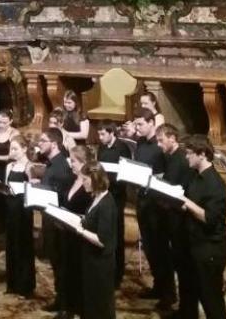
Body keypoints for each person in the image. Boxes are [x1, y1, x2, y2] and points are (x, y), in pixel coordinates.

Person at [179, 135, 226, 319]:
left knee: (211, 299)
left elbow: (210, 219)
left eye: (189, 153)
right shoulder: (195, 176)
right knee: (195, 291)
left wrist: (187, 202)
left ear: (201, 154)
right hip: (197, 245)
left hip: (211, 249)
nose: (186, 157)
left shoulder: (215, 185)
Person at [131, 108, 174, 306]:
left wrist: (157, 179)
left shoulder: (160, 146)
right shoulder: (139, 142)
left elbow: (169, 173)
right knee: (149, 246)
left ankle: (168, 293)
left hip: (157, 204)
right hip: (143, 199)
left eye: (140, 124)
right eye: (136, 124)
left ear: (150, 123)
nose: (137, 128)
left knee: (161, 249)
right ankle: (158, 286)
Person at [156, 123, 196, 314]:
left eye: (161, 140)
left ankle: (186, 310)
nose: (159, 145)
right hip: (174, 217)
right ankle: (184, 308)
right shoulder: (171, 157)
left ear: (172, 138)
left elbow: (176, 189)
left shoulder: (179, 159)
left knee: (184, 268)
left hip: (179, 221)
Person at [37, 127, 75, 313]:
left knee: (62, 266)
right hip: (50, 219)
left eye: (43, 141)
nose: (39, 143)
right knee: (55, 263)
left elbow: (60, 197)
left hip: (58, 223)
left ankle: (66, 306)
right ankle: (61, 300)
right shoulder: (52, 163)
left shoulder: (60, 167)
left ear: (54, 144)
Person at [57, 146, 94, 319]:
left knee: (77, 271)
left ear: (83, 162)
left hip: (80, 234)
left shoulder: (90, 183)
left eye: (73, 161)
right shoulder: (73, 178)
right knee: (67, 269)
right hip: (67, 232)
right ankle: (68, 307)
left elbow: (91, 213)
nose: (70, 164)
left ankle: (79, 308)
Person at [79, 161, 118, 319]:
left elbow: (103, 240)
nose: (82, 184)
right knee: (91, 302)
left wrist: (80, 230)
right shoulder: (97, 197)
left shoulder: (107, 204)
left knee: (100, 305)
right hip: (91, 260)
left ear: (95, 179)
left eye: (85, 180)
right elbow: (92, 220)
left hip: (100, 263)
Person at [96, 119, 132, 288]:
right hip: (104, 194)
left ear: (112, 133)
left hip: (117, 196)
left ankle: (118, 274)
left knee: (117, 232)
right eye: (99, 134)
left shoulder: (122, 148)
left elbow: (125, 174)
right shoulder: (102, 147)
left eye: (103, 134)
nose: (100, 137)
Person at [3, 134, 36, 297]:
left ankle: (25, 286)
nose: (12, 152)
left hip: (23, 211)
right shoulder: (9, 167)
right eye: (11, 149)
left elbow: (33, 191)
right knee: (11, 244)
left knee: (23, 246)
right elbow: (5, 187)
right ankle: (12, 283)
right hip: (10, 209)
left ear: (24, 149)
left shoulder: (29, 167)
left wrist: (26, 187)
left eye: (16, 149)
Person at [0, 109, 19, 236]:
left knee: (6, 199)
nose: (1, 124)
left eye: (4, 122)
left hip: (7, 169)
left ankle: (9, 231)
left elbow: (12, 155)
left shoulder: (14, 133)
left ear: (10, 121)